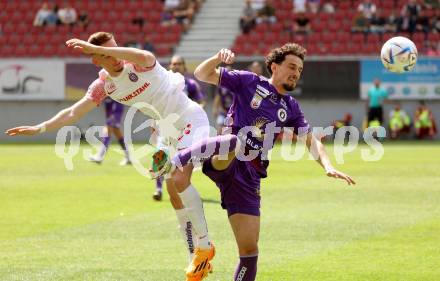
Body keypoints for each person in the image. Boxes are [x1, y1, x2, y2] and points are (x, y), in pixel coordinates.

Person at [5, 32, 214, 281]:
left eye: (116, 49)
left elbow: (142, 54)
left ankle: (205, 246)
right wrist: (40, 127)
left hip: (190, 118)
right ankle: (196, 258)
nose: (115, 57)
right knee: (172, 193)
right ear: (96, 61)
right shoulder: (104, 85)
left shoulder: (138, 62)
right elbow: (73, 112)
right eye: (106, 54)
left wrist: (96, 48)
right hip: (166, 132)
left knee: (180, 180)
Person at [153, 44, 355, 281]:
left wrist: (328, 166)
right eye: (291, 66)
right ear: (274, 66)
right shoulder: (249, 81)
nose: (296, 73)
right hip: (224, 158)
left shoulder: (290, 106)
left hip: (249, 176)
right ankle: (177, 159)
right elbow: (201, 74)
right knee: (234, 142)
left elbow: (311, 140)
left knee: (249, 252)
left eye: (299, 70)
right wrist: (218, 58)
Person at [151, 55, 206, 202]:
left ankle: (182, 187)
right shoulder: (164, 84)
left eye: (179, 64)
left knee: (183, 160)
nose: (176, 66)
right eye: (174, 64)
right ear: (169, 66)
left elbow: (201, 102)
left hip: (184, 126)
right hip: (165, 124)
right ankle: (158, 188)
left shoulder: (191, 84)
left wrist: (193, 113)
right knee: (159, 156)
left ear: (185, 67)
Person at [88, 97, 131, 165]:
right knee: (116, 132)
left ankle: (100, 156)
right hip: (110, 106)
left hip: (116, 106)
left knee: (108, 130)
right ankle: (128, 158)